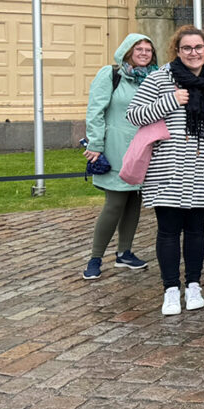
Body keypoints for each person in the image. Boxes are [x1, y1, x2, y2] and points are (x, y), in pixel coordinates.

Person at [126, 26, 204, 316]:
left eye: (198, 47)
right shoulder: (160, 78)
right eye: (187, 48)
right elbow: (133, 114)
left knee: (197, 230)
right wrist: (170, 101)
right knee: (169, 231)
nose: (193, 53)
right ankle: (171, 289)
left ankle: (194, 284)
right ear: (177, 50)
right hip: (167, 171)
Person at [81, 33, 158, 280]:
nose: (145, 53)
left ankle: (124, 252)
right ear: (128, 51)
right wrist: (95, 144)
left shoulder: (154, 78)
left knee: (134, 203)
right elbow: (96, 110)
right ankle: (95, 258)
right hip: (116, 148)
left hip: (143, 150)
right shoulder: (111, 75)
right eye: (139, 49)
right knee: (114, 204)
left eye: (148, 49)